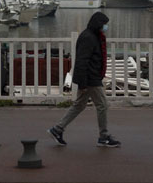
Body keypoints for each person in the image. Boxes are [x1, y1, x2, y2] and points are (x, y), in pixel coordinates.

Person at [48, 11, 121, 147]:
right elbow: (82, 61)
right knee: (102, 105)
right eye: (104, 24)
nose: (106, 27)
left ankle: (57, 129)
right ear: (99, 24)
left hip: (90, 77)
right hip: (90, 78)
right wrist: (82, 83)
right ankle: (103, 136)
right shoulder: (89, 37)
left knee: (79, 105)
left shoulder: (93, 36)